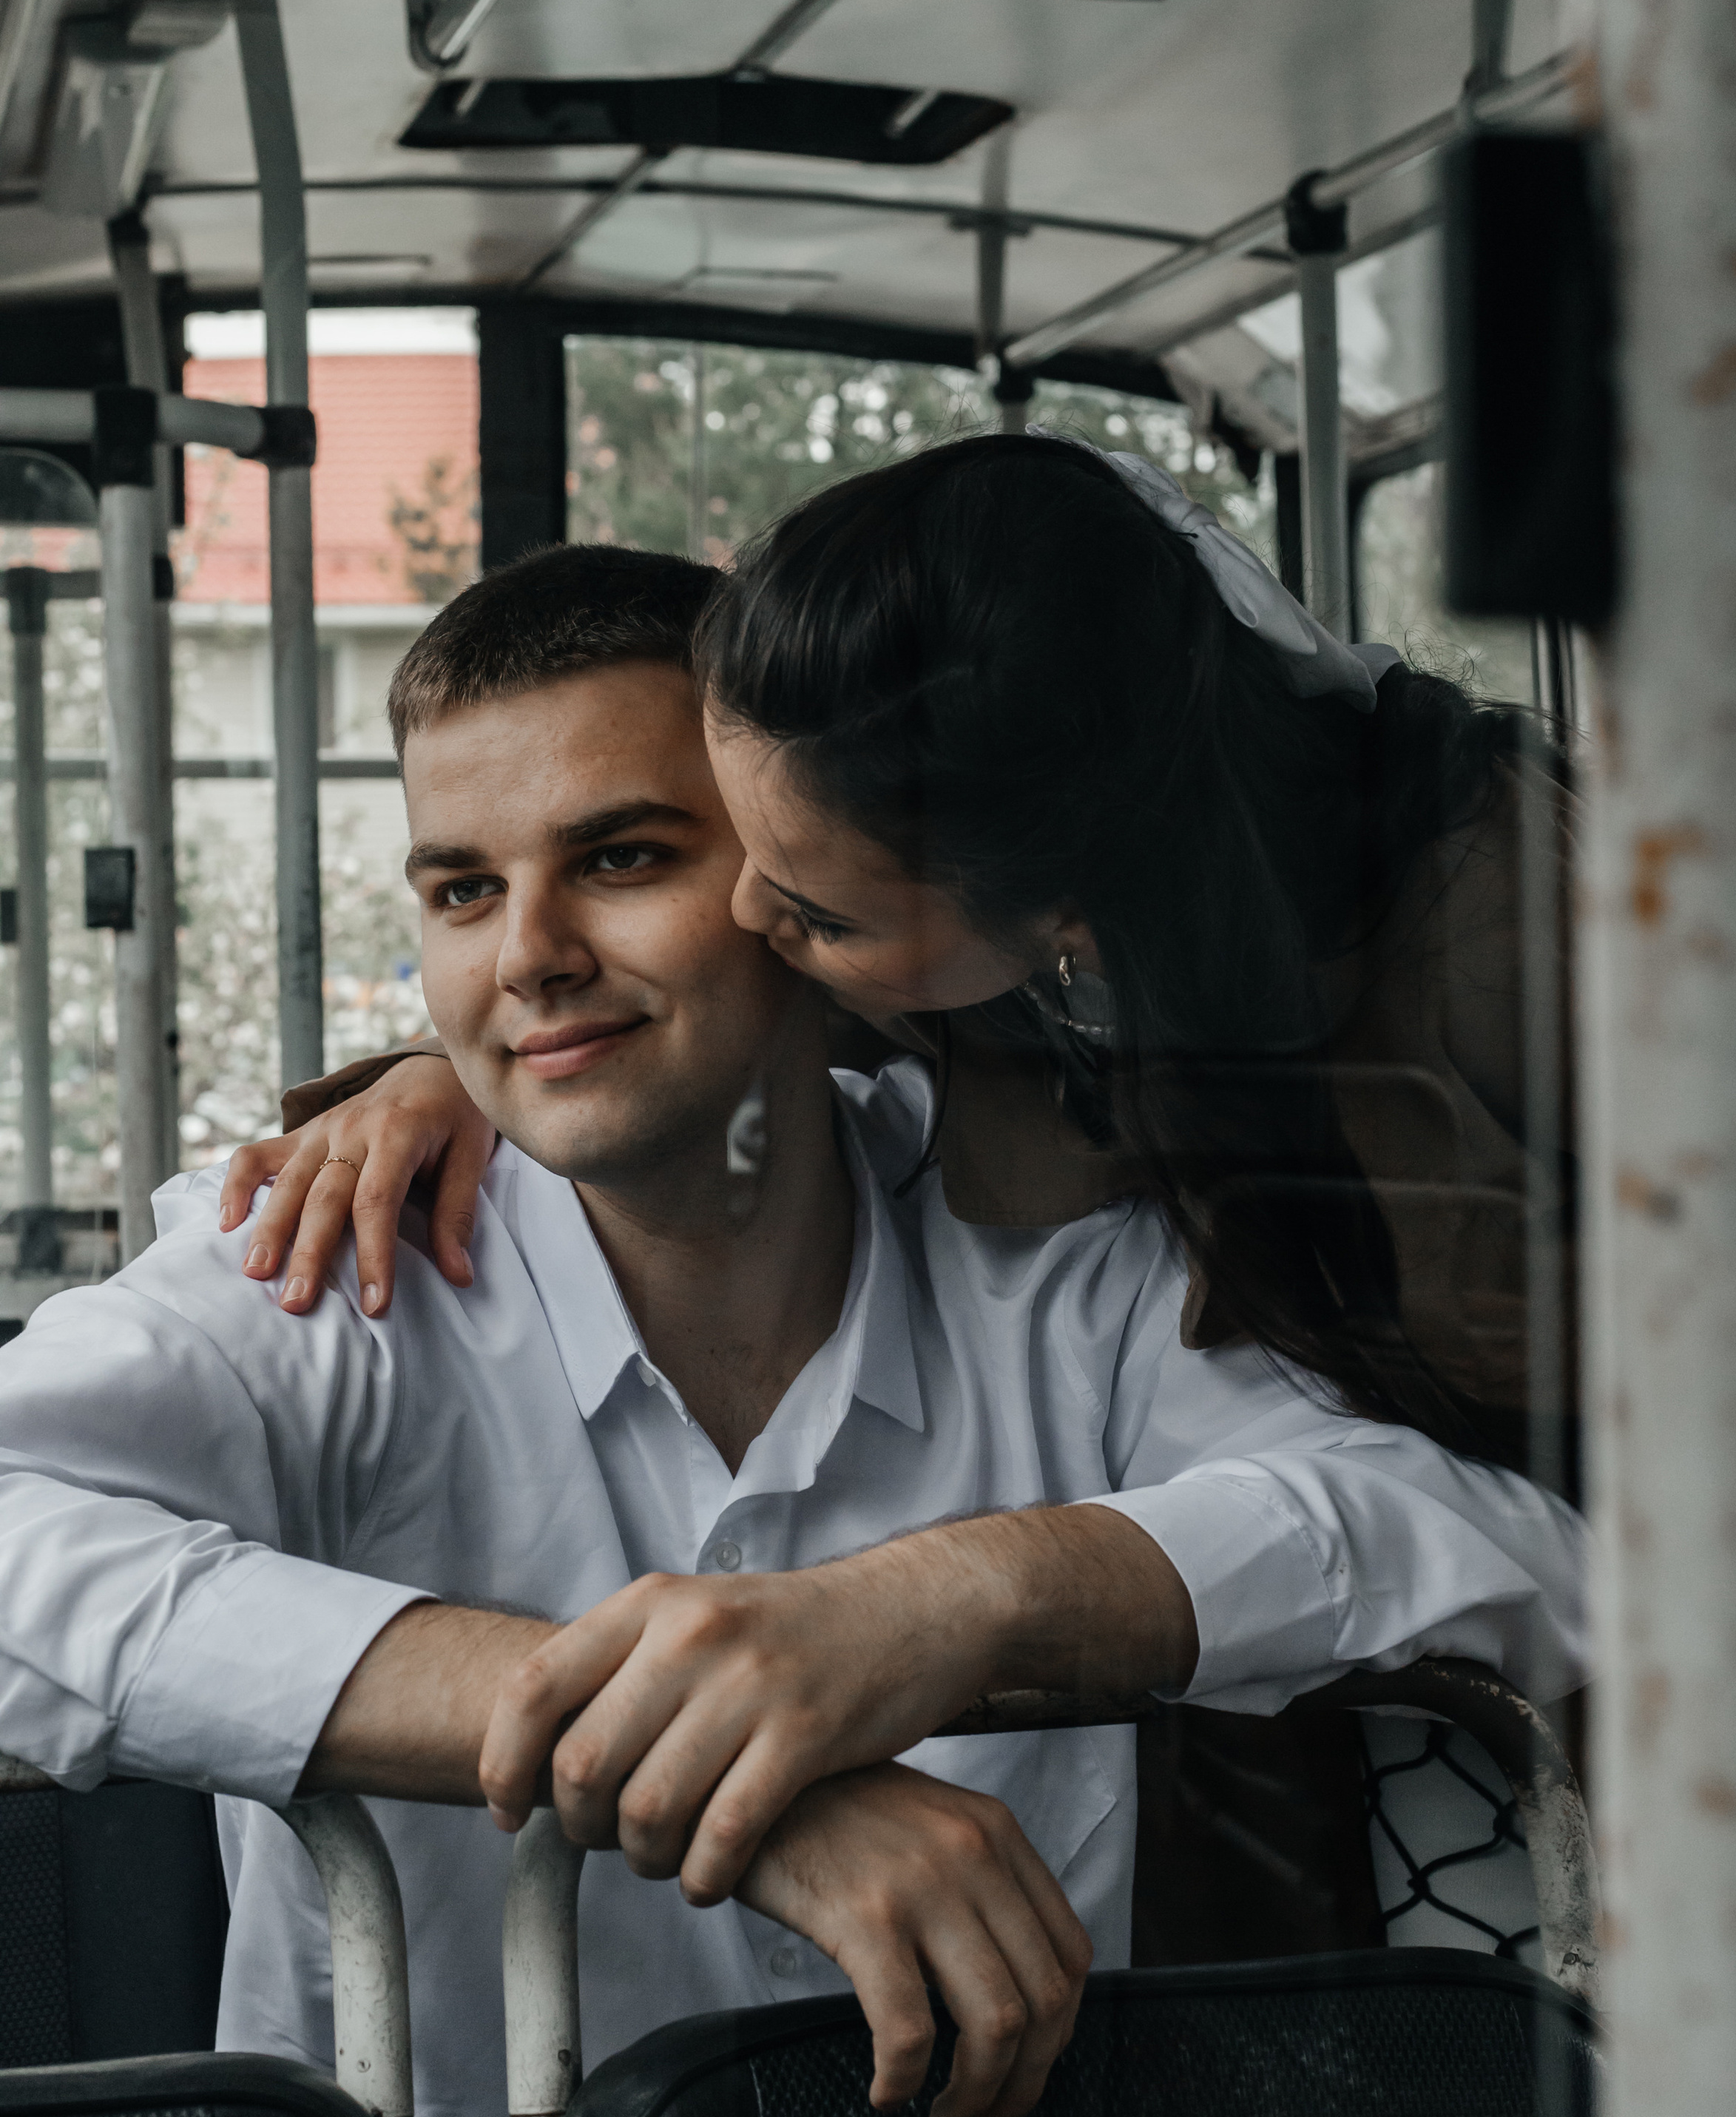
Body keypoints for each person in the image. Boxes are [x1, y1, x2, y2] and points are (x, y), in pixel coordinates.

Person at [0, 544, 1586, 2117]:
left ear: (799, 886)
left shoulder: (1067, 1263)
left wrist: (955, 1605)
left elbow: (1516, 1557)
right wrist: (722, 1775)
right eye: (459, 890)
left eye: (620, 859)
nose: (527, 955)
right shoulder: (329, 1262)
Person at [244, 431, 1575, 1478]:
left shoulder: (1541, 965)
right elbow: (676, 1022)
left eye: (819, 916)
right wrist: (446, 1077)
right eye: (465, 889)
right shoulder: (959, 924)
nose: (749, 923)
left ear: (1063, 919)